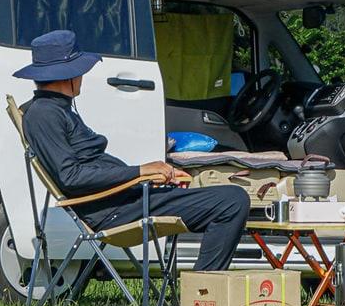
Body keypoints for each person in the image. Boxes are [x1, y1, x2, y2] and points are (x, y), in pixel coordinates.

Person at [16, 29, 250, 272]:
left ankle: (204, 291)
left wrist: (151, 177)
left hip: (126, 198)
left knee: (226, 197)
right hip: (115, 210)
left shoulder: (57, 109)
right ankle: (204, 293)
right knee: (232, 202)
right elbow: (71, 177)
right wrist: (140, 172)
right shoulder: (45, 114)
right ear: (70, 74)